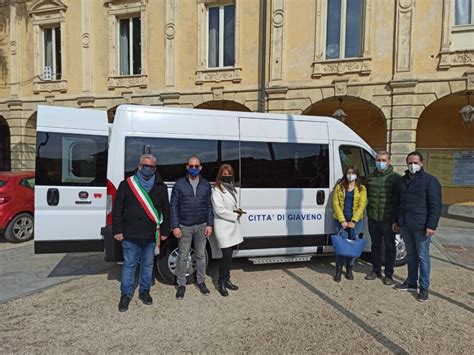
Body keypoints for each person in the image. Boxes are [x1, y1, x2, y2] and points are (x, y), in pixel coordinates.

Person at [113, 154, 170, 312]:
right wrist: (117, 230)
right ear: (139, 166)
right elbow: (118, 208)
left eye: (151, 166)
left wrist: (165, 231)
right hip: (130, 233)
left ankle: (145, 291)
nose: (148, 168)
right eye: (145, 165)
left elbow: (166, 209)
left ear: (155, 168)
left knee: (147, 265)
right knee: (129, 265)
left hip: (150, 234)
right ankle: (125, 294)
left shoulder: (161, 186)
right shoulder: (127, 184)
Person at [393, 151, 442, 302]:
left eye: (415, 162)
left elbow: (435, 206)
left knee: (423, 257)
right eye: (410, 162)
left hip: (422, 226)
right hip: (405, 224)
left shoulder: (430, 181)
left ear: (421, 164)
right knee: (411, 255)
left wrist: (431, 226)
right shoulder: (402, 181)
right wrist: (396, 221)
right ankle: (411, 282)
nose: (412, 165)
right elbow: (397, 203)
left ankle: (424, 287)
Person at [171, 156, 214, 300]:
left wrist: (210, 224)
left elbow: (209, 205)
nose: (194, 168)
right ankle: (181, 284)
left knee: (201, 255)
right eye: (191, 166)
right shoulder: (179, 184)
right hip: (185, 226)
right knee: (183, 256)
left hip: (202, 225)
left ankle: (201, 281)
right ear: (187, 167)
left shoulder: (206, 184)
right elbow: (174, 206)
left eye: (196, 166)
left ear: (200, 168)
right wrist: (175, 226)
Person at [365, 151, 400, 285]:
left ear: (389, 161)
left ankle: (389, 274)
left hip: (388, 219)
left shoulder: (395, 178)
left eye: (383, 160)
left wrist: (396, 219)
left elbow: (399, 200)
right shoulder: (370, 177)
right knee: (375, 245)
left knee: (390, 246)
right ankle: (376, 270)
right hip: (373, 217)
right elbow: (364, 193)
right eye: (378, 160)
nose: (380, 162)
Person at [211, 164, 244, 297]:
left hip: (231, 227)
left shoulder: (231, 189)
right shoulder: (216, 190)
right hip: (223, 227)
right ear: (220, 175)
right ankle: (221, 283)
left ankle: (227, 279)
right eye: (224, 174)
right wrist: (235, 215)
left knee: (229, 257)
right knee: (225, 257)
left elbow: (230, 206)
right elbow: (219, 211)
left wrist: (237, 210)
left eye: (229, 173)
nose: (226, 176)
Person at [332, 165, 367, 282]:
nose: (350, 175)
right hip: (340, 221)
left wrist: (353, 221)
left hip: (355, 222)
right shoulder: (339, 187)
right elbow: (335, 204)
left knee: (352, 246)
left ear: (357, 174)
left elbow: (362, 206)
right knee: (341, 246)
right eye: (348, 172)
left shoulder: (361, 188)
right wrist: (342, 220)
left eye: (353, 173)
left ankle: (349, 269)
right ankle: (338, 270)